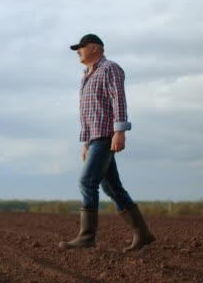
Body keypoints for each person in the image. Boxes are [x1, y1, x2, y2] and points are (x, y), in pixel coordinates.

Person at [59, 34, 155, 252]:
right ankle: (143, 234)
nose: (77, 51)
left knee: (87, 182)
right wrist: (85, 142)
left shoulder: (110, 68)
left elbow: (118, 99)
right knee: (112, 188)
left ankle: (87, 237)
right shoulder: (87, 75)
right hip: (95, 138)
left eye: (81, 47)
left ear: (95, 48)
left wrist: (120, 131)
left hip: (105, 136)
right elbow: (88, 113)